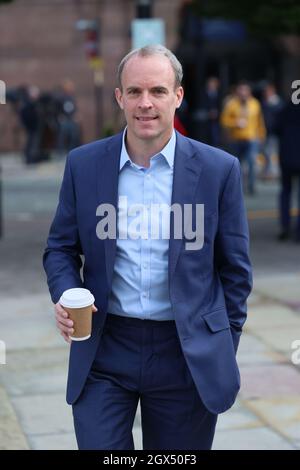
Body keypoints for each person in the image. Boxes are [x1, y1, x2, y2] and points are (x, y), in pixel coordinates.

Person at [43, 45, 252, 450]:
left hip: (184, 352)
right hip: (105, 347)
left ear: (178, 96)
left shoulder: (218, 170)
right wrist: (66, 295)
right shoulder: (84, 165)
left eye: (158, 91)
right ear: (119, 97)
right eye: (134, 92)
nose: (146, 103)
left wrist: (218, 344)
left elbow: (236, 272)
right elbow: (60, 248)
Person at [221, 81, 266, 194]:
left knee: (252, 162)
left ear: (249, 92)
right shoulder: (231, 104)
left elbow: (260, 121)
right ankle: (238, 188)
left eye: (245, 90)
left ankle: (251, 186)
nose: (243, 93)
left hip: (251, 139)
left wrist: (262, 135)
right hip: (236, 139)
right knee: (237, 165)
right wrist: (235, 123)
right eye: (241, 90)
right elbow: (224, 120)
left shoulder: (255, 104)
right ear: (237, 92)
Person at [276, 101, 300, 242]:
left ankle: (285, 227)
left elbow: (275, 128)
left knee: (286, 191)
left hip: (287, 156)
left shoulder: (285, 109)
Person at [261, 83, 284, 179]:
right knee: (266, 153)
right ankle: (267, 172)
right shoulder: (264, 103)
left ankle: (273, 173)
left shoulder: (278, 104)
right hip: (265, 132)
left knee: (273, 153)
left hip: (273, 133)